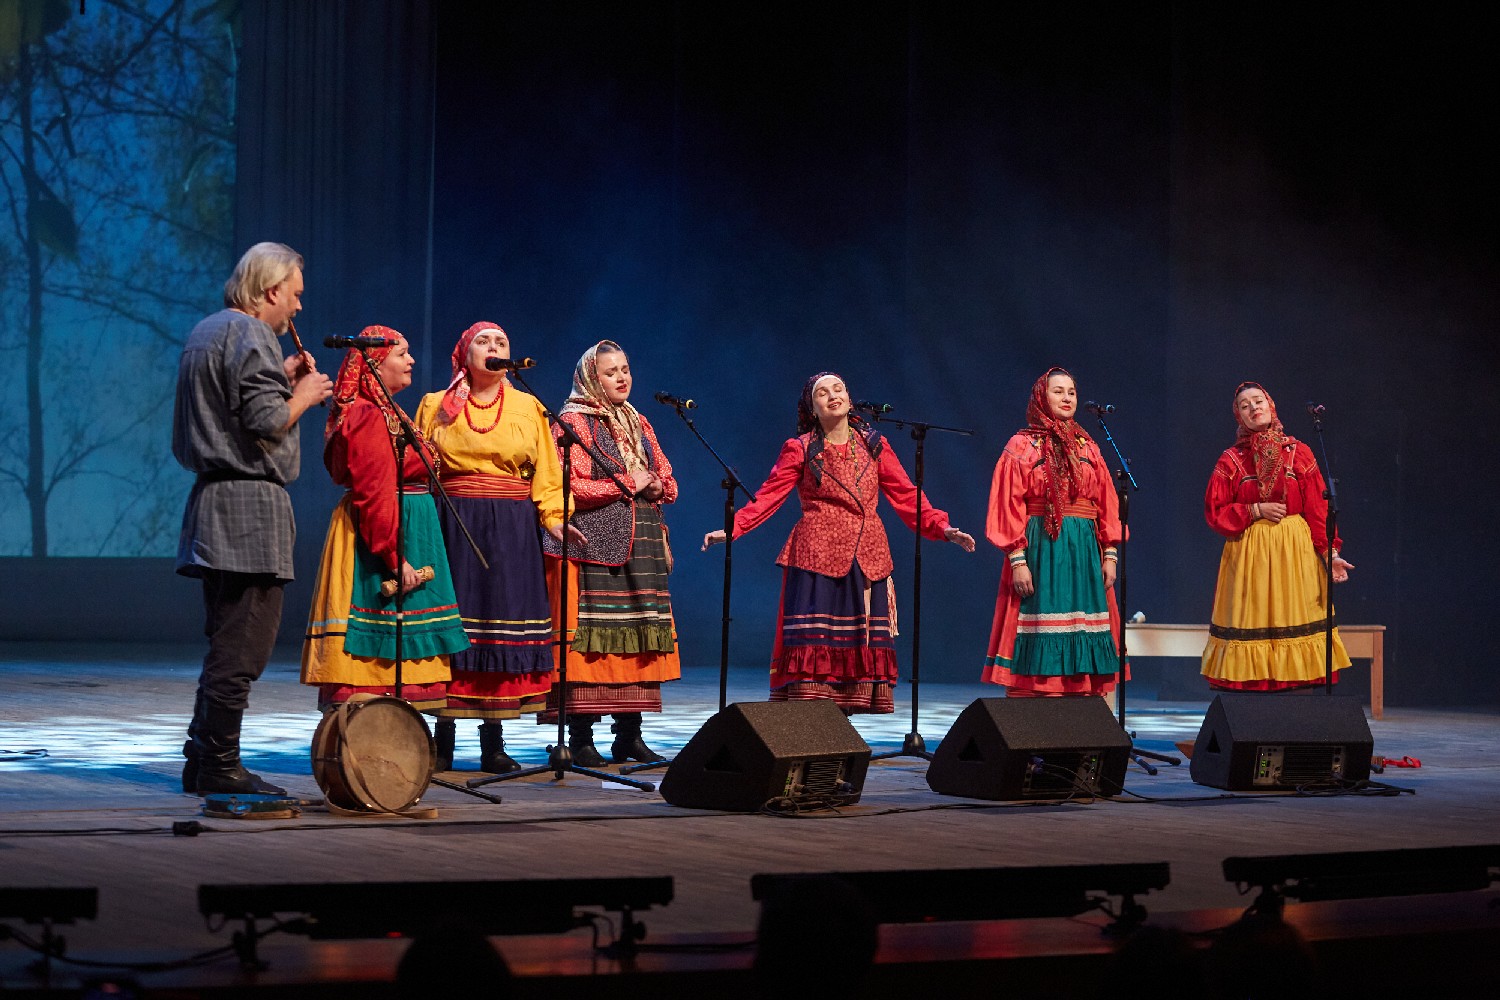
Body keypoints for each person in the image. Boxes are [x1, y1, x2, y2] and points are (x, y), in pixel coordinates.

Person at [703, 372, 974, 713]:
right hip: (817, 558)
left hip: (867, 556)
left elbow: (907, 495)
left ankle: (841, 733)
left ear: (849, 398)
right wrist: (734, 528)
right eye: (822, 393)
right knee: (816, 652)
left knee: (856, 652)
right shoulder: (800, 448)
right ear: (811, 408)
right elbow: (769, 496)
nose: (833, 396)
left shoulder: (874, 445)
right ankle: (813, 728)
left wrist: (941, 526)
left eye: (838, 389)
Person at [172, 242, 332, 795]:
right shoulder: (253, 334)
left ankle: (201, 759)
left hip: (213, 503)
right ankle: (220, 765)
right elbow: (265, 420)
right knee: (243, 647)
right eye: (295, 294)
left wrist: (281, 377)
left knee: (226, 640)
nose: (298, 307)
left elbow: (233, 408)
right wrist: (305, 394)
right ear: (271, 290)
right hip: (247, 509)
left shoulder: (207, 331)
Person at [414, 322, 580, 772]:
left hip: (510, 527)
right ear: (464, 354)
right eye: (483, 341)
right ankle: (441, 737)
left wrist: (554, 518)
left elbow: (547, 472)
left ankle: (494, 741)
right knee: (451, 624)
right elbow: (418, 467)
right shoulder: (435, 404)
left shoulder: (528, 406)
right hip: (451, 522)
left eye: (502, 342)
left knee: (499, 624)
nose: (494, 347)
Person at [300, 329, 470, 712]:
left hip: (404, 528)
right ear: (376, 365)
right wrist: (395, 557)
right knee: (373, 665)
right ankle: (367, 733)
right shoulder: (367, 414)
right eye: (402, 354)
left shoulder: (386, 411)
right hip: (382, 536)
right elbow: (375, 491)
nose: (411, 361)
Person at [540, 340, 681, 766]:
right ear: (591, 377)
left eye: (625, 369)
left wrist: (655, 485)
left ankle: (629, 735)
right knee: (592, 638)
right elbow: (568, 484)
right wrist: (629, 483)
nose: (621, 378)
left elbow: (668, 479)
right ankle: (581, 737)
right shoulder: (572, 422)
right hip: (594, 541)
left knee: (639, 637)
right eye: (610, 372)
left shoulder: (638, 420)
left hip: (643, 541)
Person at [980, 367, 1124, 697]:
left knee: (1083, 624)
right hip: (1041, 547)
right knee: (1040, 619)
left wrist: (1110, 554)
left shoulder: (1088, 447)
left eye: (1071, 392)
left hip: (1084, 550)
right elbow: (1006, 504)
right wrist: (1018, 560)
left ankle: (1078, 704)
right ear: (1041, 397)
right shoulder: (1021, 445)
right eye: (1058, 391)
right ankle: (1038, 706)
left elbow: (1107, 502)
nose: (1067, 397)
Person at [1201, 382, 1353, 690]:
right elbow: (1215, 511)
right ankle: (1252, 697)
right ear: (1239, 416)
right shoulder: (1231, 460)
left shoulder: (1299, 452)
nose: (1253, 408)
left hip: (1294, 554)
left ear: (1270, 406)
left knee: (1295, 617)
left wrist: (1330, 554)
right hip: (1250, 556)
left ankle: (1298, 701)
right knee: (1253, 618)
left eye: (1258, 401)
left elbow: (1318, 509)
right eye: (1245, 406)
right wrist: (1255, 510)